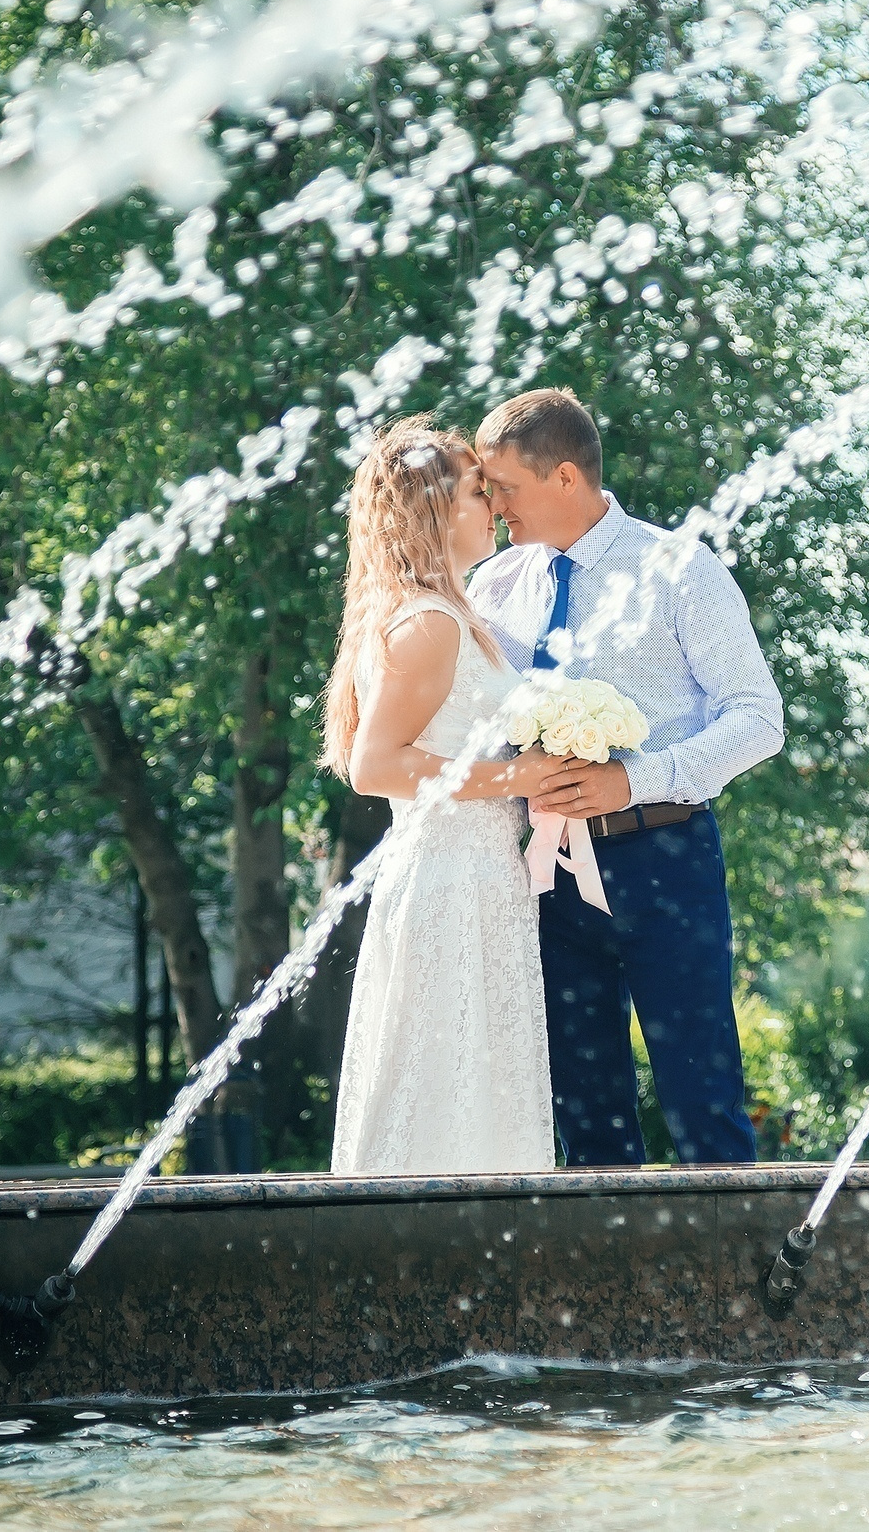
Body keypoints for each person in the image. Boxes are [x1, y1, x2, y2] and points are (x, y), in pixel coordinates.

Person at [470, 388, 784, 1166]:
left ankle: (739, 1282)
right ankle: (608, 1284)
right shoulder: (494, 587)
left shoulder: (680, 570)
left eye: (503, 485)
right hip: (542, 874)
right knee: (584, 1108)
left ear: (566, 477)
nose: (490, 501)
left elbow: (759, 717)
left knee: (700, 1100)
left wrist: (637, 779)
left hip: (664, 858)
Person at [320, 418, 584, 1174]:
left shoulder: (444, 613)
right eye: (477, 492)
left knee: (473, 1082)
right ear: (434, 509)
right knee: (447, 1083)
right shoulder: (430, 622)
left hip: (479, 879)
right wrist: (521, 777)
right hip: (451, 883)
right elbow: (376, 766)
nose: (494, 507)